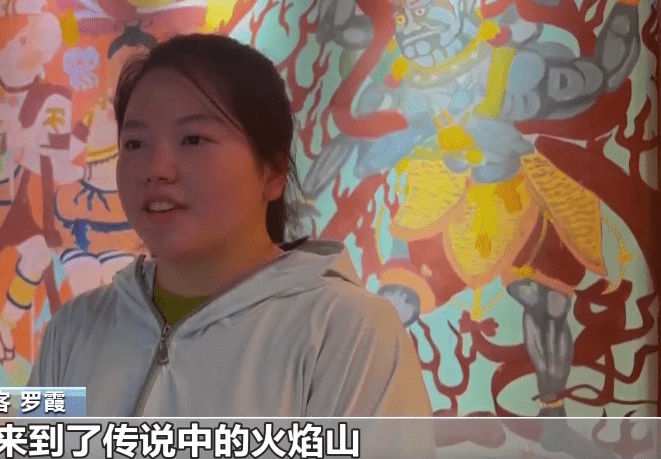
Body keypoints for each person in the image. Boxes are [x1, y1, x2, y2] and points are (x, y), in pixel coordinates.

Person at [29, 33, 434, 419]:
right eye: (135, 143)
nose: (156, 169)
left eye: (192, 139)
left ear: (273, 171)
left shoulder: (347, 332)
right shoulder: (74, 330)